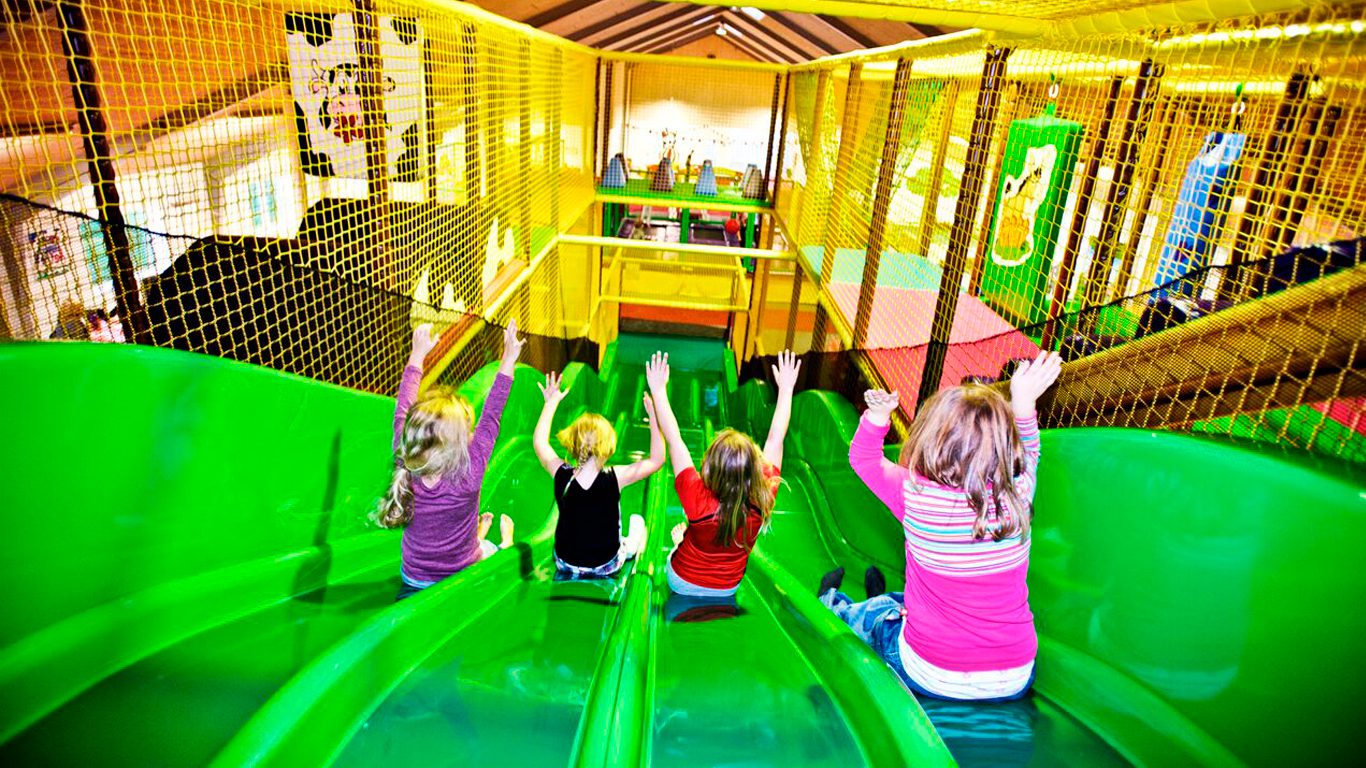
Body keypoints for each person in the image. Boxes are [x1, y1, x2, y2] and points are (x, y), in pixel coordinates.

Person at [821, 351, 1062, 701]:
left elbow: (863, 458)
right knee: (908, 600)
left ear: (932, 439)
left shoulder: (915, 495)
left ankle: (832, 604)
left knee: (877, 616)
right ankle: (889, 603)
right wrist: (1023, 402)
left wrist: (878, 415)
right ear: (1005, 449)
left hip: (931, 672)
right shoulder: (1017, 497)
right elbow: (1030, 451)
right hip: (1016, 676)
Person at [377, 321, 524, 600]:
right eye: (467, 430)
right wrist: (508, 358)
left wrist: (417, 354)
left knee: (469, 539)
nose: (472, 433)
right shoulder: (470, 472)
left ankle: (477, 533)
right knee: (496, 554)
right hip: (459, 572)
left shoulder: (405, 457)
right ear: (457, 444)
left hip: (413, 576)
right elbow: (492, 415)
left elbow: (402, 410)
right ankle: (502, 541)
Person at [648, 349, 801, 597]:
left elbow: (674, 440)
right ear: (754, 468)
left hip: (682, 580)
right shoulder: (762, 496)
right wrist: (786, 389)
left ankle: (681, 543)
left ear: (710, 466)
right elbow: (775, 439)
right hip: (728, 587)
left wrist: (658, 391)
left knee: (688, 537)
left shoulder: (695, 495)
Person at [534, 370, 663, 578]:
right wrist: (654, 419)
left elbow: (539, 442)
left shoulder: (561, 474)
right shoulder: (615, 477)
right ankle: (633, 540)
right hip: (606, 564)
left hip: (565, 563)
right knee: (637, 525)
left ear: (573, 444)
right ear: (607, 447)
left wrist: (550, 404)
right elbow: (657, 460)